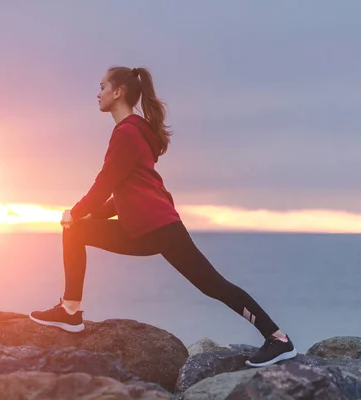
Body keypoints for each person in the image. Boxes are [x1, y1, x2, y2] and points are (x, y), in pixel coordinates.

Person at [28, 66, 298, 368]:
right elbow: (122, 196)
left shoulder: (128, 132)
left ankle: (278, 339)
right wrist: (80, 218)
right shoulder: (133, 131)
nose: (98, 92)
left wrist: (74, 212)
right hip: (141, 228)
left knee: (213, 285)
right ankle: (70, 311)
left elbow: (105, 182)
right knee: (77, 231)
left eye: (102, 86)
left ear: (117, 92)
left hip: (160, 227)